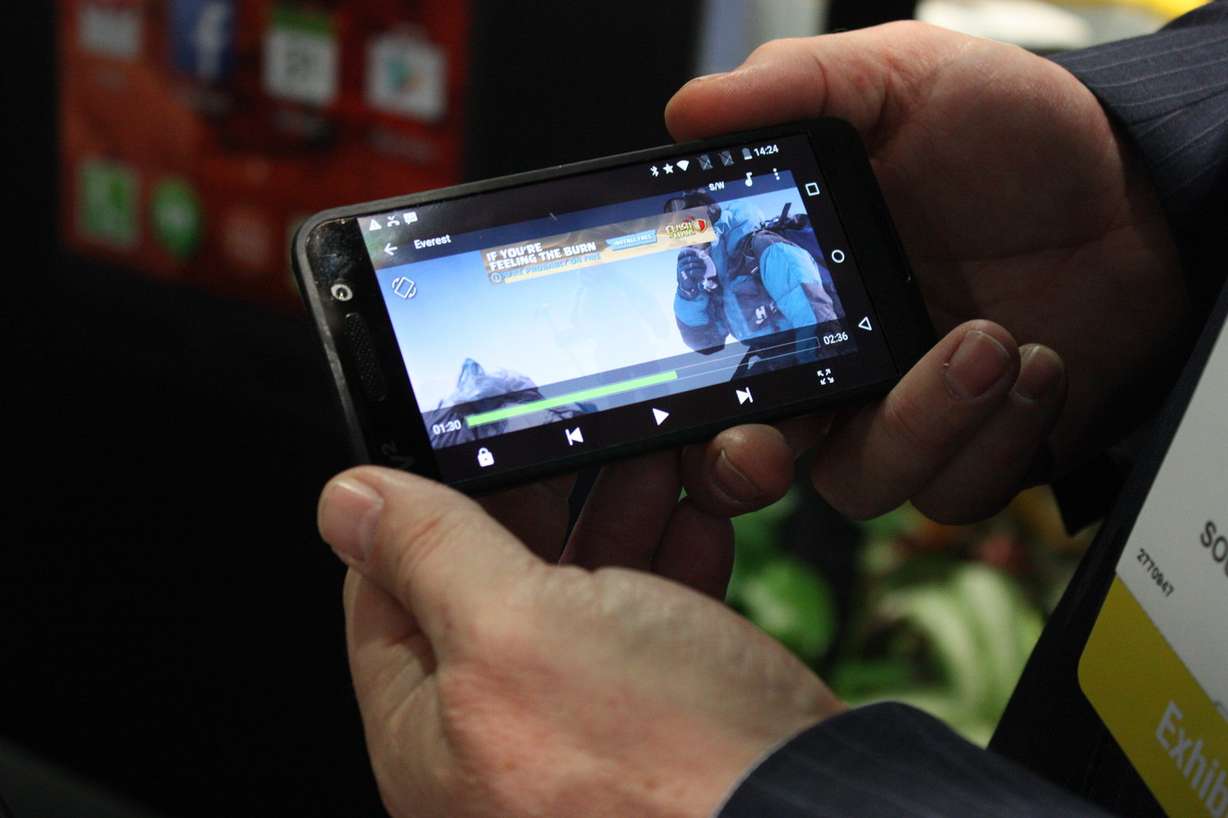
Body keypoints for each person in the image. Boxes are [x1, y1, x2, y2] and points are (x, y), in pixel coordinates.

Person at [315, 3, 1228, 816]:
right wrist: (1155, 226)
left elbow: (797, 320)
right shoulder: (716, 260)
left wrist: (748, 788)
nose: (689, 224)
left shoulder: (773, 247)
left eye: (696, 213)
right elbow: (702, 338)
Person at [670, 191, 837, 374]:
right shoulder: (713, 281)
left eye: (691, 226)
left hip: (803, 351)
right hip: (770, 358)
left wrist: (817, 369)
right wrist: (689, 294)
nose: (687, 240)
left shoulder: (763, 247)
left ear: (710, 220)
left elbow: (812, 314)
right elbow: (706, 343)